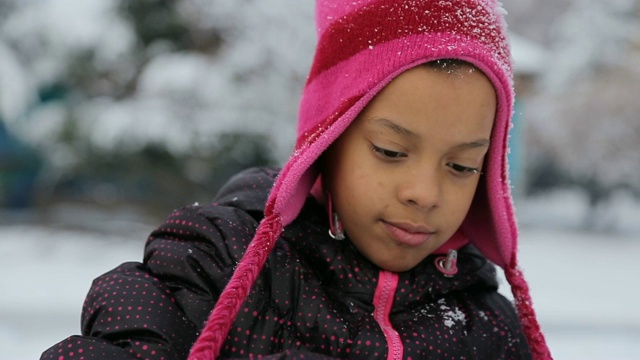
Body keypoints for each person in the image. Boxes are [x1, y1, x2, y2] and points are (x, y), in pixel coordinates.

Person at [42, 0, 553, 359]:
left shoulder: (490, 331)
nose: (425, 193)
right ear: (328, 140)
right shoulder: (214, 267)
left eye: (462, 166)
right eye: (391, 151)